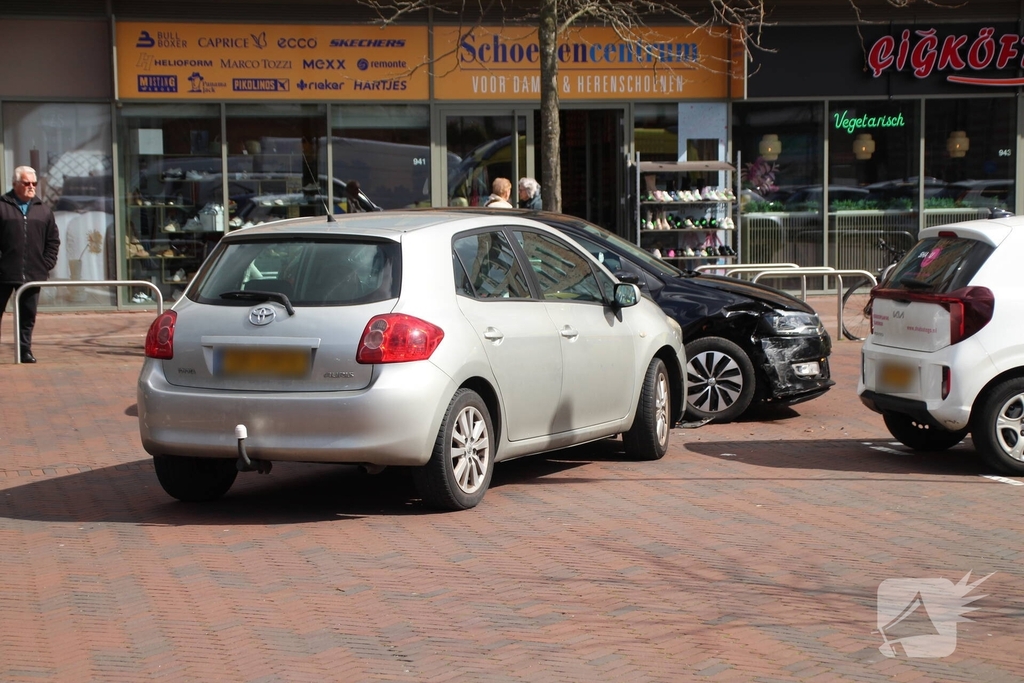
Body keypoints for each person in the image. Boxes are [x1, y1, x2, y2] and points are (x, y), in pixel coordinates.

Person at [0, 166, 61, 363]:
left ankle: (24, 350)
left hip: (33, 273)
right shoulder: (2, 207)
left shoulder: (43, 211)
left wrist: (46, 263)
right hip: (4, 273)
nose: (31, 187)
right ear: (15, 184)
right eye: (26, 183)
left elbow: (53, 241)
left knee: (28, 316)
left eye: (34, 183)